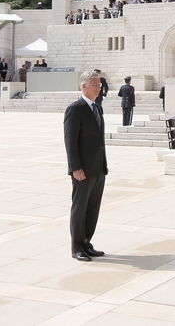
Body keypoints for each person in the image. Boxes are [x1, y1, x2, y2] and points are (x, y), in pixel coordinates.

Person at [64, 71, 108, 262]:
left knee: (92, 208)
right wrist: (76, 168)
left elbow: (100, 140)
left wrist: (104, 165)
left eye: (99, 85)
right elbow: (70, 142)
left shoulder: (97, 108)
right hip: (82, 170)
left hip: (98, 169)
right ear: (84, 86)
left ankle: (86, 242)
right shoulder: (75, 109)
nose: (99, 88)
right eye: (95, 85)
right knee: (80, 208)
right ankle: (77, 247)